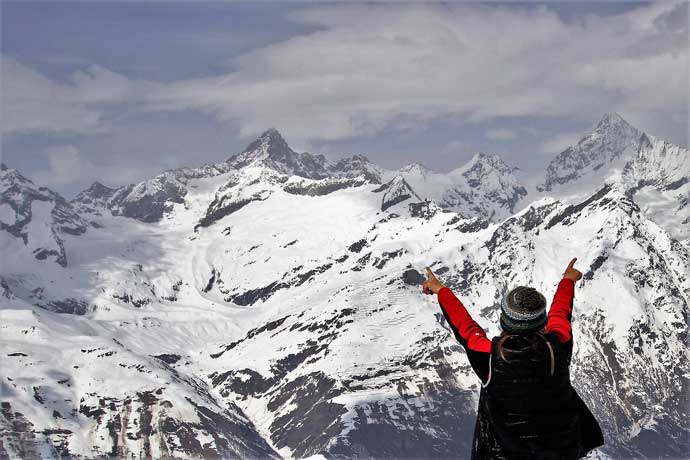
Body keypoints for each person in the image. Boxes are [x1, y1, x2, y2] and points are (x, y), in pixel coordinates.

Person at [422, 257, 604, 460]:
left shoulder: (489, 357)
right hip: (560, 450)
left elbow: (465, 327)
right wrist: (568, 280)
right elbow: (561, 313)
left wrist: (441, 290)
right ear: (541, 321)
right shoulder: (558, 346)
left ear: (505, 321)